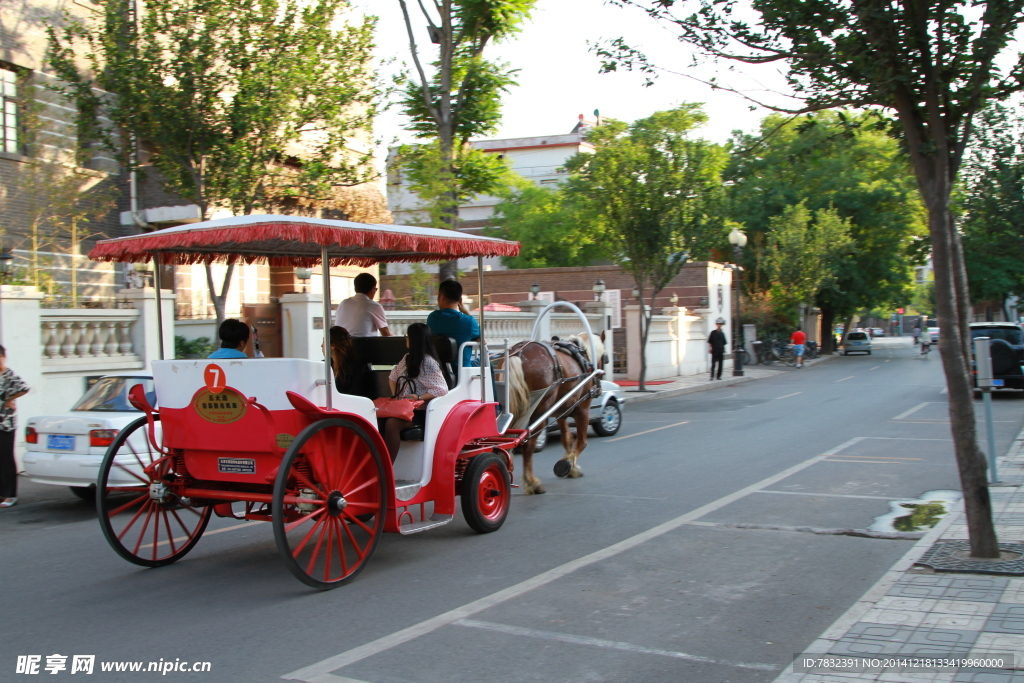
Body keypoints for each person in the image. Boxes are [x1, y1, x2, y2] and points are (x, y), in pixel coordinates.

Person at [383, 323, 449, 462]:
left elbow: (441, 389)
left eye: (407, 336)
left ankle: (386, 467)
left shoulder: (428, 362)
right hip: (404, 408)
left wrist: (419, 397)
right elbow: (393, 377)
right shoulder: (407, 358)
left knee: (392, 424)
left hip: (420, 411)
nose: (406, 339)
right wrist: (397, 396)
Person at [0, 345, 30, 508]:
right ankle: (1, 493)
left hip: (6, 423)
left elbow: (24, 388)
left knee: (5, 458)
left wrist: (9, 399)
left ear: (3, 357)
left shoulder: (8, 374)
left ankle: (10, 495)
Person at [426, 279, 480, 368]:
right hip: (463, 370)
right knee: (486, 364)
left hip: (440, 369)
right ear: (460, 300)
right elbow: (481, 336)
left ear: (442, 297)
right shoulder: (468, 321)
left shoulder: (432, 318)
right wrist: (467, 312)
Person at [335, 272, 391, 337]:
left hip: (341, 345)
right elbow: (386, 334)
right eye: (375, 289)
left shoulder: (343, 303)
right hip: (363, 345)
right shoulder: (374, 306)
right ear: (372, 289)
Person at [326, 326, 366, 395]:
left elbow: (355, 393)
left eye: (324, 342)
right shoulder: (323, 365)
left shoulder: (355, 367)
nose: (321, 345)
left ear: (332, 345)